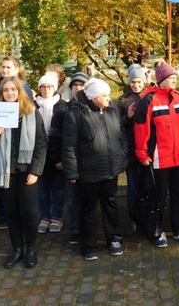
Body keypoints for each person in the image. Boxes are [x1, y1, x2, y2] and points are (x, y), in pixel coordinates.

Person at [0, 76, 47, 269]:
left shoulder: (31, 112)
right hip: (5, 171)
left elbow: (41, 143)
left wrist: (35, 170)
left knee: (29, 212)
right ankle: (17, 249)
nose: (9, 93)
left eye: (13, 89)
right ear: (1, 93)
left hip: (27, 171)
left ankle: (31, 249)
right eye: (5, 90)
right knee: (11, 213)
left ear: (20, 91)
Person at [63, 78, 127, 260]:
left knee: (111, 205)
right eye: (104, 95)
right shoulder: (75, 114)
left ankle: (114, 239)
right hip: (88, 172)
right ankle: (89, 245)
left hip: (111, 169)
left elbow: (121, 135)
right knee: (88, 210)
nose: (109, 98)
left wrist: (122, 157)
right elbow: (69, 146)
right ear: (93, 97)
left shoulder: (112, 110)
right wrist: (72, 171)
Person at [134, 63, 179, 247]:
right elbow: (141, 128)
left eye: (175, 77)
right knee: (158, 196)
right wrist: (142, 153)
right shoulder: (148, 100)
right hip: (159, 159)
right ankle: (157, 230)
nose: (174, 80)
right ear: (161, 80)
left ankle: (178, 229)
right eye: (170, 77)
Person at [0, 56, 33, 229]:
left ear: (17, 69)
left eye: (9, 67)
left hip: (15, 143)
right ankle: (3, 213)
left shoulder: (24, 87)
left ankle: (11, 216)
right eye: (3, 67)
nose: (5, 70)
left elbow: (27, 112)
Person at [53, 71, 88, 244]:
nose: (78, 88)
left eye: (82, 85)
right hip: (70, 162)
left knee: (88, 199)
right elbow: (55, 137)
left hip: (89, 163)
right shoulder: (62, 108)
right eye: (75, 85)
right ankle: (75, 230)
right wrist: (58, 159)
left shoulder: (94, 107)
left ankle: (89, 228)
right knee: (72, 199)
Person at [35, 74, 68, 234]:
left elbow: (66, 134)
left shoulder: (63, 106)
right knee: (42, 189)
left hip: (56, 153)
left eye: (49, 87)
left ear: (54, 88)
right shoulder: (33, 105)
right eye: (43, 87)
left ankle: (57, 217)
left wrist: (63, 157)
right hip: (39, 154)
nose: (46, 90)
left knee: (58, 188)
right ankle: (44, 217)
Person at [116, 67, 147, 235]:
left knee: (146, 185)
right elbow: (116, 125)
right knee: (132, 185)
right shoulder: (122, 100)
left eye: (139, 82)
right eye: (133, 82)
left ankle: (145, 215)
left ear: (144, 82)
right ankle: (133, 218)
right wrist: (127, 117)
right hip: (130, 149)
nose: (136, 85)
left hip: (146, 150)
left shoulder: (150, 97)